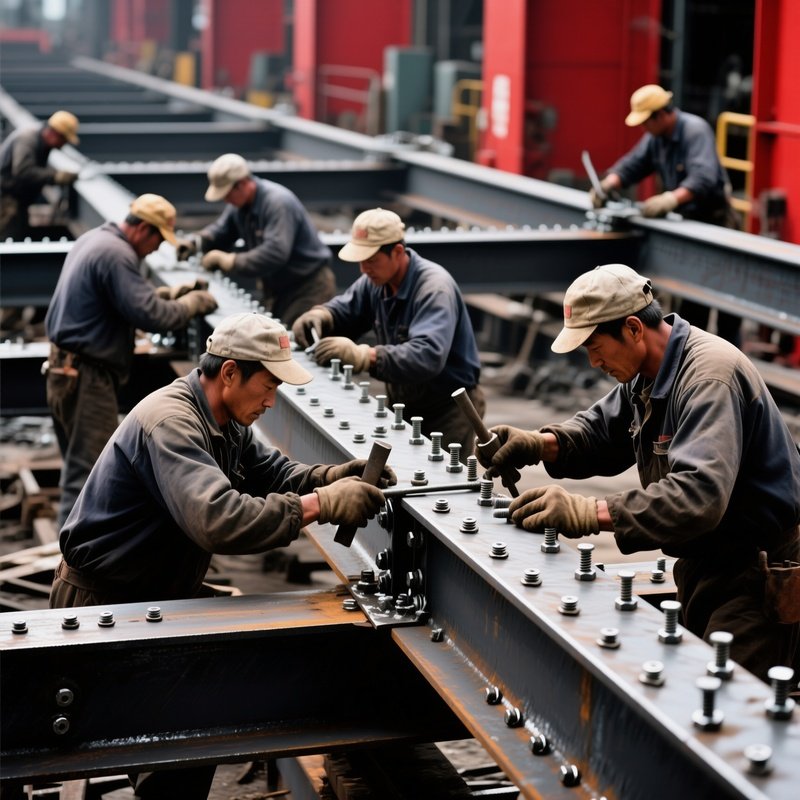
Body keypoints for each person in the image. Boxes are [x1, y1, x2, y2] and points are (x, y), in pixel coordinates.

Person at [49, 312, 393, 800]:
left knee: (195, 733)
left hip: (152, 595)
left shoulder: (224, 421)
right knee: (180, 737)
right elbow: (218, 520)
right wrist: (321, 505)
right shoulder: (172, 422)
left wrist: (330, 477)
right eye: (268, 386)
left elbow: (272, 472)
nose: (271, 402)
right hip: (102, 607)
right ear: (230, 373)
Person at [478, 263, 800, 683]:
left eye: (595, 347)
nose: (594, 362)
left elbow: (698, 497)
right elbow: (599, 433)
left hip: (758, 573)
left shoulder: (709, 378)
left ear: (632, 328)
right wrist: (539, 443)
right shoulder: (648, 374)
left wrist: (586, 512)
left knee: (727, 705)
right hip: (707, 562)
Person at [44, 193, 219, 528]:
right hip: (87, 378)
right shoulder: (117, 254)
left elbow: (118, 301)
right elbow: (152, 316)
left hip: (63, 371)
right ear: (143, 229)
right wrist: (191, 304)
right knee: (91, 475)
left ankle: (69, 545)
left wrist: (164, 295)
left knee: (77, 468)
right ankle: (78, 552)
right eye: (157, 240)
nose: (155, 249)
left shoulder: (95, 239)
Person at [291, 207, 485, 456]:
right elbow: (346, 310)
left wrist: (365, 356)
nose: (364, 269)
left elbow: (427, 356)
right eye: (360, 260)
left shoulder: (434, 289)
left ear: (397, 252)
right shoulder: (376, 281)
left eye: (371, 260)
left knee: (436, 476)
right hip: (406, 401)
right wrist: (322, 315)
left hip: (447, 411)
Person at [589, 84, 741, 344]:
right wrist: (608, 183)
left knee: (726, 305)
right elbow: (634, 164)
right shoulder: (656, 138)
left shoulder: (695, 130)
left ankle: (729, 356)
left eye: (645, 122)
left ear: (660, 115)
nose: (642, 129)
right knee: (693, 304)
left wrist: (671, 199)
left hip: (716, 225)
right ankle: (693, 355)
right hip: (689, 226)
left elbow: (703, 178)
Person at [174, 153, 335, 326]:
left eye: (227, 194)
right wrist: (196, 242)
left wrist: (231, 261)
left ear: (242, 184)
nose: (225, 200)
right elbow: (222, 231)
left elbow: (275, 252)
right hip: (278, 288)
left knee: (292, 338)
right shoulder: (240, 206)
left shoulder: (278, 203)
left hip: (307, 288)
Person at [0, 110, 81, 239]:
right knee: (8, 239)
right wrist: (55, 176)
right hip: (6, 201)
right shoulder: (28, 139)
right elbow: (23, 171)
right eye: (64, 139)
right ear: (54, 133)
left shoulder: (41, 141)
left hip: (16, 201)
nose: (64, 144)